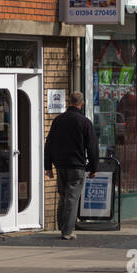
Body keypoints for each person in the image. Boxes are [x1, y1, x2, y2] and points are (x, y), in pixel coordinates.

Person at [44, 91, 100, 240]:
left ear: (69, 102)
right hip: (77, 166)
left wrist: (48, 166)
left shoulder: (58, 121)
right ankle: (67, 231)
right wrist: (94, 168)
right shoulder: (84, 122)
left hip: (60, 165)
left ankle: (62, 225)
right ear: (81, 104)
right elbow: (92, 147)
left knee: (63, 196)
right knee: (72, 198)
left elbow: (49, 144)